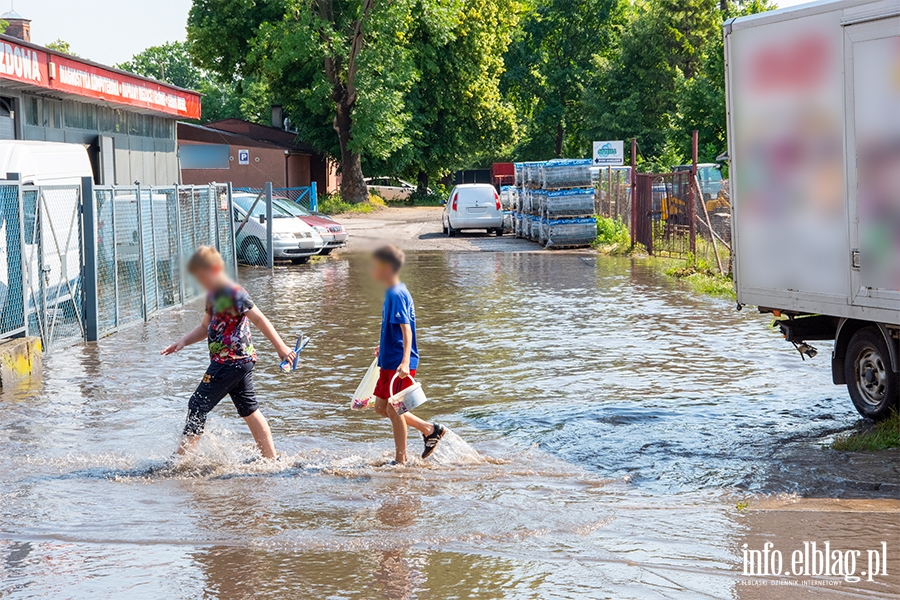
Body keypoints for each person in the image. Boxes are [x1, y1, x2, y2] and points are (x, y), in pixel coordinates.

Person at [161, 246, 296, 459]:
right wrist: (183, 342)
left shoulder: (234, 293)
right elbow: (205, 327)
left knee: (197, 404)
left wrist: (281, 348)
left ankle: (180, 461)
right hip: (235, 363)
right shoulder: (213, 296)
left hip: (232, 361)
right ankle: (271, 459)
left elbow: (260, 320)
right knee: (249, 410)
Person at [370, 245, 445, 464]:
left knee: (395, 411)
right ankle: (429, 429)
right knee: (381, 408)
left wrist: (404, 361)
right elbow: (393, 329)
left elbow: (406, 329)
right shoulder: (391, 292)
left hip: (399, 363)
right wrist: (382, 348)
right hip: (389, 359)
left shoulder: (396, 293)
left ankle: (400, 461)